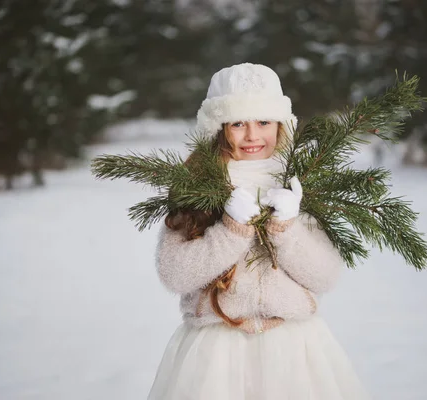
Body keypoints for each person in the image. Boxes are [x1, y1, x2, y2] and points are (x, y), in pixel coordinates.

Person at [148, 63, 371, 400]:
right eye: (238, 123)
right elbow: (175, 274)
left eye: (264, 121)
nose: (253, 136)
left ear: (280, 124)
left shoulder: (297, 184)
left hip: (294, 349)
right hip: (216, 353)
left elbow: (324, 276)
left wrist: (286, 228)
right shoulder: (195, 185)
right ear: (219, 128)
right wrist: (231, 231)